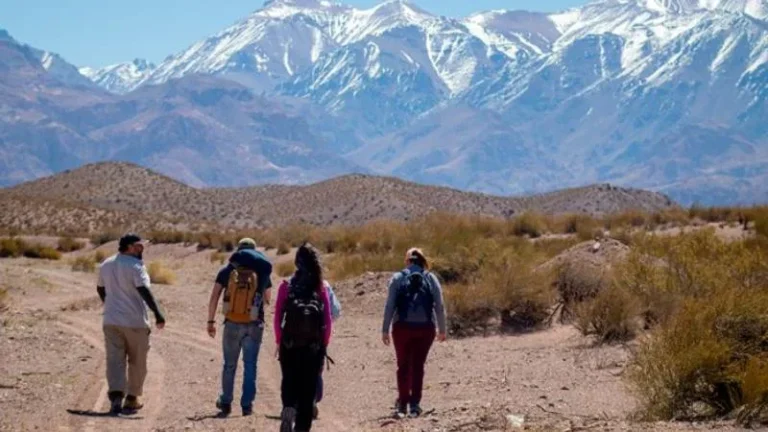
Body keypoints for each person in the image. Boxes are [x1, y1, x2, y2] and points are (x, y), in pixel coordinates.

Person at [96, 233, 166, 416]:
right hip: (135, 321)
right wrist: (158, 314)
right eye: (139, 246)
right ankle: (132, 398)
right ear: (129, 247)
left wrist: (109, 304)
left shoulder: (106, 264)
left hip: (111, 321)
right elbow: (144, 290)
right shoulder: (136, 266)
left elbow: (100, 288)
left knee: (114, 360)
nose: (142, 249)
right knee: (137, 361)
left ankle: (116, 397)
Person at [207, 237, 273, 417]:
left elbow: (214, 297)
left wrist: (211, 322)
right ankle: (247, 406)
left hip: (231, 324)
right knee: (250, 365)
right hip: (254, 324)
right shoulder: (261, 271)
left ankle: (226, 402)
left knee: (229, 365)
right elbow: (268, 299)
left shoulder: (227, 271)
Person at [381, 247, 447, 419]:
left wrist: (385, 329)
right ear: (422, 260)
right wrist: (442, 329)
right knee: (418, 366)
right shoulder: (430, 278)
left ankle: (402, 404)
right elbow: (439, 305)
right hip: (426, 328)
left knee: (403, 366)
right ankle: (415, 405)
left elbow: (390, 305)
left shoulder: (398, 278)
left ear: (407, 260)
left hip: (402, 328)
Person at [274, 242, 333, 432]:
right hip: (313, 347)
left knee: (289, 380)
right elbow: (327, 320)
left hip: (289, 344)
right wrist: (324, 344)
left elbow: (277, 317)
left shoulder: (286, 286)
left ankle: (288, 408)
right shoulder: (320, 287)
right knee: (308, 392)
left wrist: (279, 341)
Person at [313, 281, 341, 420]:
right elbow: (335, 312)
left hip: (295, 336)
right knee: (316, 369)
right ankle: (313, 399)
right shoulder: (324, 285)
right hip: (317, 335)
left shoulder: (292, 282)